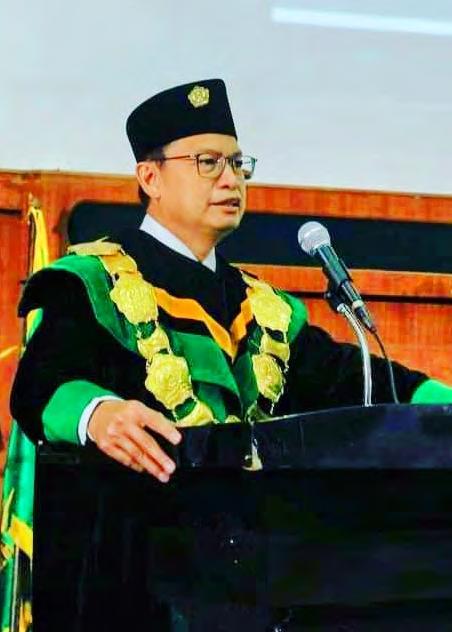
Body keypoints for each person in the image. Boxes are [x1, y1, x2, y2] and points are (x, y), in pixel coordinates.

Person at [8, 78, 452, 631]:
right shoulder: (91, 283)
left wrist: (443, 406)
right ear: (150, 177)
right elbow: (41, 383)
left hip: (253, 586)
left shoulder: (261, 308)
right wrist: (99, 414)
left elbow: (362, 379)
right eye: (208, 162)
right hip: (130, 581)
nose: (230, 179)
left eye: (238, 164)